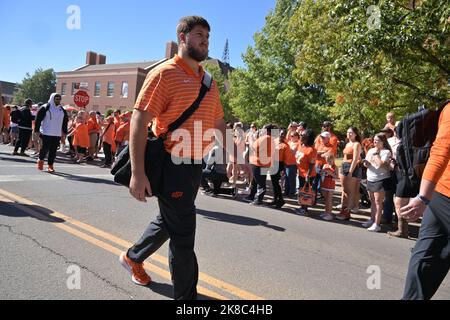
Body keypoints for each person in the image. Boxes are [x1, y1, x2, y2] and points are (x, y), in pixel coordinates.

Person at [120, 16, 226, 300]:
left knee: (170, 219)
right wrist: (138, 173)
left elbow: (218, 122)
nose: (205, 40)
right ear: (183, 38)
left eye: (208, 36)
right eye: (199, 34)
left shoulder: (209, 82)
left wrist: (231, 155)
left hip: (194, 164)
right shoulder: (164, 74)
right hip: (170, 161)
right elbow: (139, 122)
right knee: (183, 235)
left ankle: (133, 257)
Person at [400, 102, 450, 300]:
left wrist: (424, 197)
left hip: (439, 195)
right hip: (442, 193)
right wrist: (423, 196)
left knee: (427, 257)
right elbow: (441, 152)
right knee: (426, 258)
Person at [361, 133, 394, 232]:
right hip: (371, 178)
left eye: (377, 140)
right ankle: (372, 220)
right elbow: (366, 164)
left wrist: (376, 155)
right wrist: (365, 162)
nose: (374, 142)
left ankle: (377, 224)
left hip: (381, 179)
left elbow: (380, 165)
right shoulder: (371, 150)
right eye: (374, 140)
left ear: (383, 141)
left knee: (378, 202)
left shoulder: (386, 152)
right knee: (372, 201)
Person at [34, 94, 68, 173]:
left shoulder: (62, 109)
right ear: (52, 99)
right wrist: (37, 130)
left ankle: (50, 165)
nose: (58, 100)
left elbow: (65, 121)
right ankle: (40, 160)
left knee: (53, 150)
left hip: (57, 133)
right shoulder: (45, 107)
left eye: (59, 99)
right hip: (46, 132)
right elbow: (38, 119)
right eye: (56, 99)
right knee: (45, 148)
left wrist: (64, 132)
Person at [336, 127, 362, 221]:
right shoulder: (347, 143)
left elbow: (355, 159)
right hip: (344, 166)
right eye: (347, 132)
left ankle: (347, 212)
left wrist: (350, 171)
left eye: (351, 132)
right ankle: (343, 209)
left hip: (352, 167)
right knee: (344, 190)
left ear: (355, 134)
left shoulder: (356, 144)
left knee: (350, 191)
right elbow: (344, 157)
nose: (349, 134)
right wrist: (341, 168)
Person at [245, 124, 276, 205]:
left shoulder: (266, 138)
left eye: (263, 128)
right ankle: (252, 196)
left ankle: (258, 199)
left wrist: (252, 142)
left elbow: (254, 147)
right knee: (256, 181)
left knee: (260, 182)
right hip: (260, 162)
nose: (261, 130)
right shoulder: (268, 138)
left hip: (259, 163)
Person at [295, 129, 317, 215]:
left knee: (306, 192)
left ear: (308, 137)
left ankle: (304, 209)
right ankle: (302, 207)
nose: (300, 135)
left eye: (302, 135)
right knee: (301, 190)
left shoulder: (311, 150)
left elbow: (312, 164)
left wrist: (307, 175)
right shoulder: (301, 145)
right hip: (300, 173)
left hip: (308, 175)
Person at [320, 155, 338, 221]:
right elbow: (321, 174)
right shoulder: (325, 165)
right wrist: (322, 172)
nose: (329, 162)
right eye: (327, 161)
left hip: (331, 185)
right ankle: (326, 212)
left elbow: (337, 177)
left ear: (333, 160)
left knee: (329, 200)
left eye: (330, 161)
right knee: (325, 199)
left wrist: (331, 173)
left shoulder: (335, 167)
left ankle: (329, 214)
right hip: (324, 183)